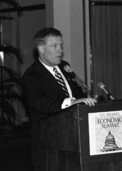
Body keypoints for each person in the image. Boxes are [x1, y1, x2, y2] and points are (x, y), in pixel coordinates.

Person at [21, 27, 97, 171]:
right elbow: (39, 103)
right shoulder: (31, 76)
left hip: (75, 143)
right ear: (41, 48)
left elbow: (79, 95)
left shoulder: (64, 67)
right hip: (49, 147)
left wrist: (89, 100)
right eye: (54, 46)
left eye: (61, 45)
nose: (60, 50)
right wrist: (71, 102)